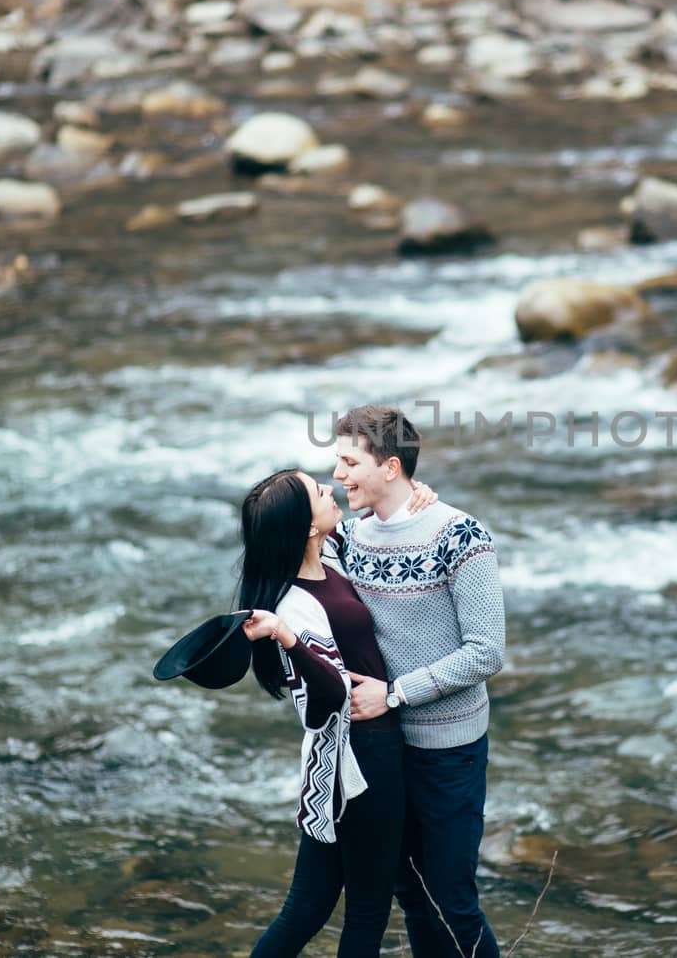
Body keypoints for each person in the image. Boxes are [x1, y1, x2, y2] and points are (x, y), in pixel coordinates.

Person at [328, 405, 507, 958]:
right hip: (381, 748)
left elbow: (487, 652)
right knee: (410, 893)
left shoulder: (460, 535)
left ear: (389, 467)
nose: (338, 475)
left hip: (448, 749)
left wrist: (397, 693)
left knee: (452, 898)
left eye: (349, 461)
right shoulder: (350, 539)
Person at [234, 468, 434, 958]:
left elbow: (373, 515)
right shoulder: (293, 604)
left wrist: (414, 498)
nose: (331, 489)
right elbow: (325, 698)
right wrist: (287, 638)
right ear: (306, 526)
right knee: (366, 913)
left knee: (306, 909)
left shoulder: (329, 554)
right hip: (364, 760)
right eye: (319, 491)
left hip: (344, 763)